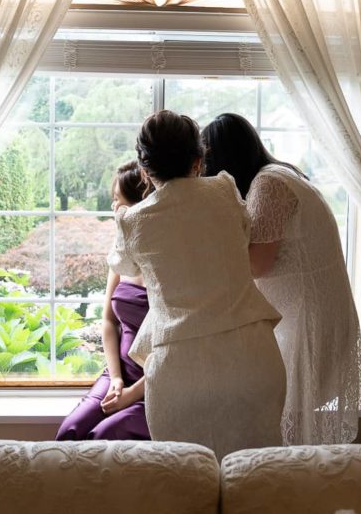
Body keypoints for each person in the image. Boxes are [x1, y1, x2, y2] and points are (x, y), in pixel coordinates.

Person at [109, 110, 285, 459]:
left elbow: (124, 265)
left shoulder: (132, 222)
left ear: (144, 168)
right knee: (258, 477)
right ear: (198, 159)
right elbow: (243, 232)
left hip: (179, 369)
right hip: (251, 358)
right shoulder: (223, 189)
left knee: (184, 480)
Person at [201, 112, 361, 445]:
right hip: (313, 317)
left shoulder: (269, 184)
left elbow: (256, 264)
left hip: (308, 325)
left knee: (275, 428)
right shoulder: (283, 175)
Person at [55, 161, 151, 441]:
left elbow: (176, 350)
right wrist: (117, 378)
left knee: (102, 436)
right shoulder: (120, 251)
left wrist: (133, 394)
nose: (113, 209)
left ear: (139, 207)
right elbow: (108, 320)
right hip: (119, 374)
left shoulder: (168, 260)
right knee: (69, 432)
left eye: (118, 202)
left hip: (155, 385)